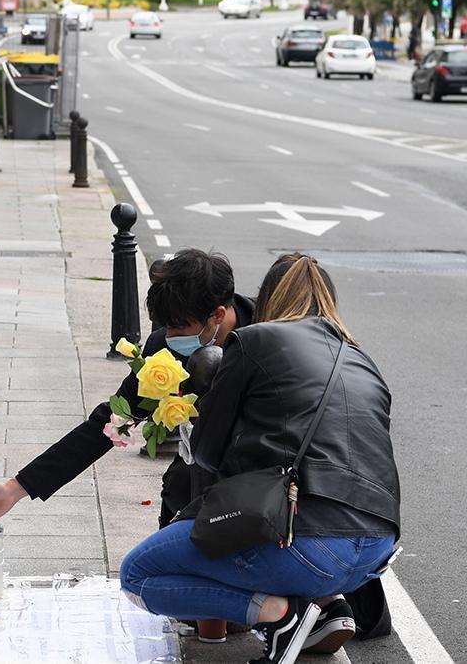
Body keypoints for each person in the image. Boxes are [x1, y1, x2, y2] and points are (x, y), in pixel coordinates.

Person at [117, 254, 401, 663]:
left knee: (139, 574)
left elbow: (207, 454)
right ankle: (324, 608)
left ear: (268, 299)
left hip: (308, 542)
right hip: (377, 550)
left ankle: (281, 614)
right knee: (289, 532)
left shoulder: (256, 339)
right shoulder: (362, 360)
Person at [0, 249, 255, 529]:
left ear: (217, 314)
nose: (169, 337)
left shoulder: (267, 335)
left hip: (258, 480)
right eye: (165, 327)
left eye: (178, 328)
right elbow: (111, 423)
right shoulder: (162, 351)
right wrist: (16, 488)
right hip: (193, 480)